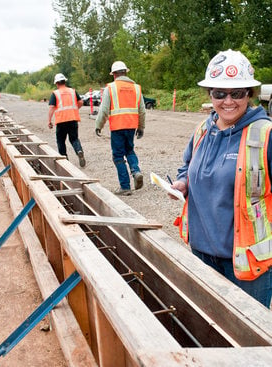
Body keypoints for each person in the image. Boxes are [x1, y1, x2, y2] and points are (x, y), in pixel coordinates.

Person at [170, 49, 272, 308]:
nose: (228, 101)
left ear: (249, 94)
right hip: (201, 253)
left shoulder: (265, 135)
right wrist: (182, 182)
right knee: (210, 326)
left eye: (237, 93)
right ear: (210, 95)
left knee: (248, 338)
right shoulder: (204, 129)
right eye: (220, 93)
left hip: (248, 265)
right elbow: (187, 166)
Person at [95, 61, 146, 196]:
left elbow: (104, 109)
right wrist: (141, 127)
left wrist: (98, 125)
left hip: (117, 126)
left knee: (118, 155)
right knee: (129, 150)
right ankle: (136, 171)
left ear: (114, 75)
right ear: (126, 72)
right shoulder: (136, 88)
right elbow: (142, 110)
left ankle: (125, 187)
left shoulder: (110, 88)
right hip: (131, 125)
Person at [48, 73, 86, 167]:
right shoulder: (72, 91)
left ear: (56, 83)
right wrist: (75, 109)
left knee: (61, 140)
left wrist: (49, 121)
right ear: (65, 81)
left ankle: (64, 159)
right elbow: (80, 102)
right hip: (73, 119)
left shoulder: (55, 93)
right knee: (74, 138)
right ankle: (79, 151)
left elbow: (52, 107)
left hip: (61, 121)